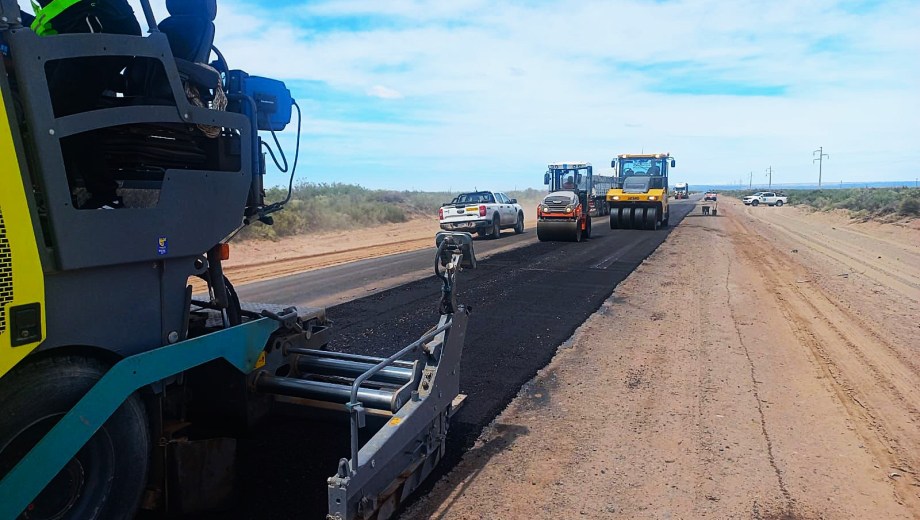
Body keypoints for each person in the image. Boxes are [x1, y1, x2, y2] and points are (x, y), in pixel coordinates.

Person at [31, 0, 142, 208]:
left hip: (99, 22)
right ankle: (60, 195)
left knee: (64, 108)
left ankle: (104, 196)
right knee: (43, 108)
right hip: (72, 31)